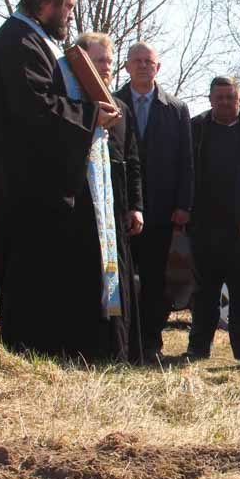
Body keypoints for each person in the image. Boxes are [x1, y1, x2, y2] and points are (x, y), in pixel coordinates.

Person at [0, 0, 127, 362]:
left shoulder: (35, 39)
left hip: (45, 183)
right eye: (67, 7)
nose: (69, 16)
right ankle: (32, 350)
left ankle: (54, 348)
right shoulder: (18, 41)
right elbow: (36, 108)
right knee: (33, 271)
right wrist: (90, 116)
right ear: (45, 1)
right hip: (28, 184)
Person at [114, 43, 194, 363]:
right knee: (122, 277)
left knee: (155, 280)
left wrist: (183, 205)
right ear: (127, 67)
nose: (144, 66)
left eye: (150, 61)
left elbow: (185, 162)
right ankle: (123, 339)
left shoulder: (175, 109)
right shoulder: (112, 103)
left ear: (158, 68)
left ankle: (150, 341)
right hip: (120, 209)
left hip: (161, 211)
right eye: (138, 61)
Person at [74, 32, 145, 359]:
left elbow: (132, 161)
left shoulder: (121, 108)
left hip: (114, 209)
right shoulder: (74, 102)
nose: (106, 67)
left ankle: (117, 351)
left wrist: (136, 207)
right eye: (99, 60)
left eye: (109, 62)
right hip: (82, 208)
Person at [186, 76, 240, 360]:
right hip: (204, 225)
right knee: (204, 293)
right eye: (218, 97)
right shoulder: (196, 128)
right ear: (210, 99)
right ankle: (198, 347)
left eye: (229, 97)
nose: (224, 102)